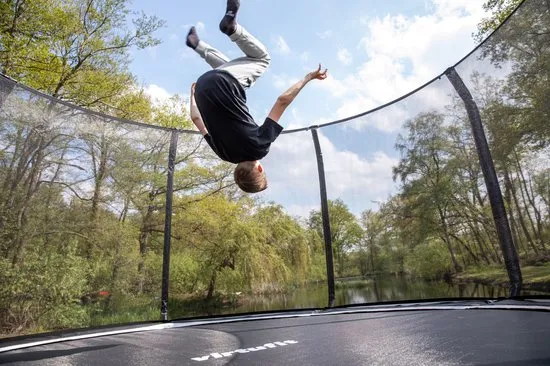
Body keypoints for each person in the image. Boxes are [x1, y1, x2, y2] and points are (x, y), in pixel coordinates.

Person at [187, 0, 327, 193]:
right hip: (204, 85)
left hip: (225, 82)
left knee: (262, 59)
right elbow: (196, 119)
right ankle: (198, 45)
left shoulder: (260, 147)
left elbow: (282, 102)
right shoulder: (223, 154)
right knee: (230, 68)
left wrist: (308, 77)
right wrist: (193, 94)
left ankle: (232, 29)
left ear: (260, 167)